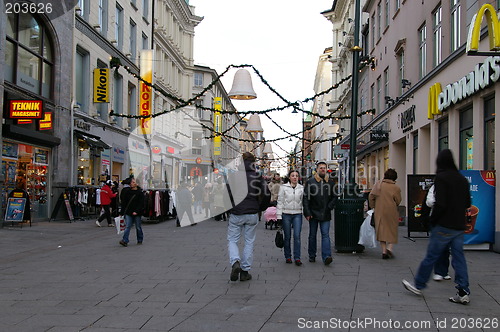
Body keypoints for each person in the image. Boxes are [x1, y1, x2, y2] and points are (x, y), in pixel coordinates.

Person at [402, 149, 472, 304]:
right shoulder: (462, 179)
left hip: (443, 225)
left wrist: (432, 220)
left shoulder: (441, 178)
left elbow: (440, 204)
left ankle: (419, 284)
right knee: (459, 258)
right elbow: (467, 203)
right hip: (459, 225)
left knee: (431, 256)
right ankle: (463, 291)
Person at [227, 152, 270, 282]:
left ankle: (235, 262)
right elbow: (267, 194)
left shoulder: (233, 176)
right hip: (252, 213)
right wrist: (260, 207)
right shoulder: (257, 176)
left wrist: (230, 208)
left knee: (233, 240)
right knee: (249, 241)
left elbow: (227, 194)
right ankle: (245, 272)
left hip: (237, 213)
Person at [303, 162, 337, 265]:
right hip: (313, 213)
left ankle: (327, 256)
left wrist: (330, 207)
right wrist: (307, 212)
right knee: (312, 235)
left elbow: (335, 196)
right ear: (317, 169)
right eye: (321, 168)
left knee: (325, 235)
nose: (323, 169)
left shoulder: (330, 183)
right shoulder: (310, 182)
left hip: (325, 213)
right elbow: (306, 198)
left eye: (324, 168)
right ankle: (312, 255)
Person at [368, 168, 402, 259]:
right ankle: (389, 248)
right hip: (391, 211)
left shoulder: (378, 185)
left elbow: (371, 196)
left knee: (381, 230)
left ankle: (383, 251)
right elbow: (398, 201)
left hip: (379, 211)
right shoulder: (396, 188)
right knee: (392, 230)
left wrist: (373, 206)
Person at [276, 169, 304, 266]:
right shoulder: (283, 187)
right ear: (289, 177)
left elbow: (304, 201)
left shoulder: (301, 188)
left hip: (297, 214)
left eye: (296, 175)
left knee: (297, 236)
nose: (295, 177)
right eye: (293, 175)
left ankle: (297, 257)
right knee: (287, 237)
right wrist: (279, 216)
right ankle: (288, 256)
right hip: (286, 213)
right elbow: (280, 201)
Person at [426, 184, 452, 281]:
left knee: (446, 247)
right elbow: (429, 202)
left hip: (450, 220)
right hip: (436, 220)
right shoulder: (435, 187)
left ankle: (444, 271)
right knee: (437, 246)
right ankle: (439, 271)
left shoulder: (454, 187)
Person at [119, 178, 145, 246]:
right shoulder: (127, 192)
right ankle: (125, 240)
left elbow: (141, 203)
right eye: (131, 182)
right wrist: (121, 213)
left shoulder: (140, 193)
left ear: (137, 184)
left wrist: (137, 211)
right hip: (128, 212)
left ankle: (140, 239)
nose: (131, 183)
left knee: (138, 227)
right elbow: (124, 203)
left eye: (133, 182)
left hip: (137, 213)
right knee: (127, 226)